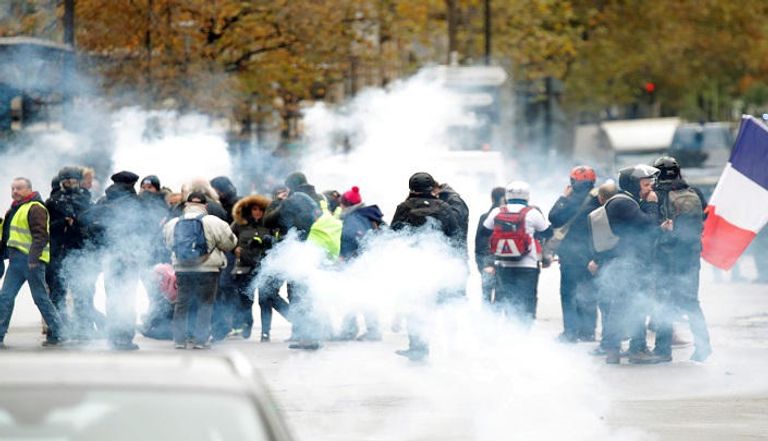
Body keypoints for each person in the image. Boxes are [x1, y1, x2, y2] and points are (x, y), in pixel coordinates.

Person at [588, 165, 667, 364]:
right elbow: (647, 226)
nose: (649, 189)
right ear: (633, 184)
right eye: (645, 184)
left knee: (632, 306)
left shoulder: (627, 202)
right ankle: (620, 349)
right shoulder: (624, 203)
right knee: (625, 307)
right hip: (627, 263)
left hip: (630, 262)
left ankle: (630, 348)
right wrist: (652, 205)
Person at [391, 172, 459, 361]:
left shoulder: (404, 207)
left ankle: (418, 347)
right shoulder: (444, 207)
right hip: (437, 264)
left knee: (414, 306)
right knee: (431, 305)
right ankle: (431, 344)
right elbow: (454, 234)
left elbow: (393, 234)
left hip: (411, 265)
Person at [651, 156, 712, 362]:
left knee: (664, 302)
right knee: (691, 303)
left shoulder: (658, 194)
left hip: (667, 257)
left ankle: (662, 350)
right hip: (691, 256)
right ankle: (704, 347)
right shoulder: (694, 192)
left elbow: (651, 224)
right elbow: (704, 217)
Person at [163, 191, 237, 349]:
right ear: (205, 206)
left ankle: (179, 340)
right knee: (205, 304)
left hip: (182, 268)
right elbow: (230, 244)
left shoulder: (173, 223)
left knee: (182, 303)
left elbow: (169, 245)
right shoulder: (214, 222)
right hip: (208, 269)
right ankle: (200, 340)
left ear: (186, 205)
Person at [0, 177, 66, 348]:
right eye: (13, 188)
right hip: (16, 262)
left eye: (19, 188)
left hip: (31, 262)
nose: (15, 192)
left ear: (29, 189)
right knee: (5, 297)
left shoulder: (35, 208)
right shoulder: (14, 209)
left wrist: (33, 259)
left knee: (40, 298)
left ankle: (59, 332)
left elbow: (41, 236)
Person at [481, 181, 553, 324]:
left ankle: (510, 329)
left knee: (507, 297)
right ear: (527, 196)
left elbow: (484, 231)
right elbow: (547, 232)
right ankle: (525, 327)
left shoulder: (497, 212)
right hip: (528, 265)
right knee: (527, 298)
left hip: (503, 263)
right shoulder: (532, 213)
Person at [548, 166, 601, 342]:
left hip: (570, 256)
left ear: (572, 182)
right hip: (591, 255)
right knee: (589, 292)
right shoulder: (597, 201)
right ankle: (588, 332)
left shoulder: (569, 201)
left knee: (568, 294)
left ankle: (570, 333)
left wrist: (563, 196)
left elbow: (553, 217)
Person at [94, 171, 145, 350]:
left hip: (109, 256)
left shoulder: (104, 201)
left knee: (112, 296)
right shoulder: (136, 202)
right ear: (131, 184)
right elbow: (145, 228)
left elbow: (89, 222)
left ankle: (113, 336)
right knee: (127, 296)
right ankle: (125, 338)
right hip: (129, 257)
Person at [230, 194, 287, 342]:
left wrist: (269, 244)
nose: (257, 212)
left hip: (264, 268)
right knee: (245, 300)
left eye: (261, 209)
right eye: (254, 209)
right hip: (245, 267)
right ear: (249, 210)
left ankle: (265, 332)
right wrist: (235, 248)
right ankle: (247, 324)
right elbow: (228, 238)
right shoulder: (239, 224)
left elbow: (279, 242)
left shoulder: (270, 224)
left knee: (265, 300)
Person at [335, 186, 385, 341]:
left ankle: (352, 330)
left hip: (356, 263)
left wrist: (343, 257)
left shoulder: (353, 218)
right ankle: (370, 330)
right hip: (370, 262)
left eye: (342, 204)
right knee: (363, 296)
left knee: (352, 296)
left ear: (346, 204)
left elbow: (351, 239)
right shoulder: (370, 214)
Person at [475, 187, 506, 305]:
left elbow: (480, 243)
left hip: (487, 261)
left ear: (492, 198)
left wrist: (484, 264)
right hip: (503, 262)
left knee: (486, 295)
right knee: (500, 296)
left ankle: (487, 320)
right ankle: (497, 321)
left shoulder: (486, 216)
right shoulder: (511, 216)